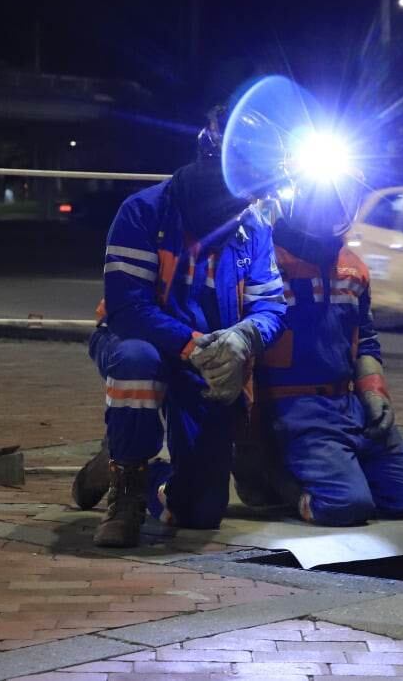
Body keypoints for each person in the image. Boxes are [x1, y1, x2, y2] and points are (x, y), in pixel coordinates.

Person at [73, 116, 287, 547]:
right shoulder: (143, 212)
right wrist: (194, 346)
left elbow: (270, 307)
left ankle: (115, 460)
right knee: (138, 362)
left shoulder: (252, 228)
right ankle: (127, 491)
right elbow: (128, 310)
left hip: (205, 356)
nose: (253, 199)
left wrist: (244, 337)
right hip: (139, 341)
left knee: (200, 513)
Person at [240, 160, 403, 526]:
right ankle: (277, 480)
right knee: (346, 505)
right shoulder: (264, 262)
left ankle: (341, 473)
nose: (329, 203)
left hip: (348, 405)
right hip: (293, 411)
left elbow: (366, 343)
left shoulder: (353, 268)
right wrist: (250, 430)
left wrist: (375, 396)